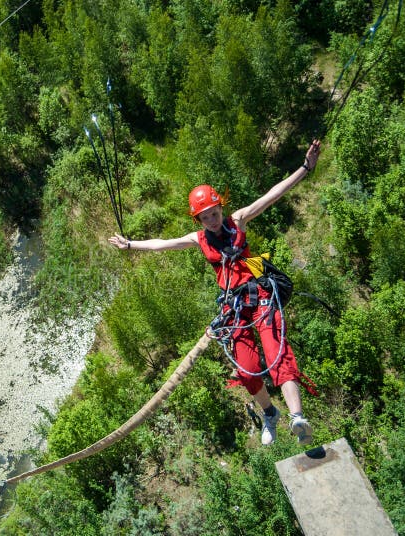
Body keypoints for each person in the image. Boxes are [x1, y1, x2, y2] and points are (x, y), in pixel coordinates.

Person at [108, 140, 322, 445]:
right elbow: (161, 243)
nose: (212, 218)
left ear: (221, 206)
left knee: (277, 353)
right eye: (205, 215)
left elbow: (272, 195)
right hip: (234, 307)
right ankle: (270, 414)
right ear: (198, 219)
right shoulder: (198, 239)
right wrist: (130, 245)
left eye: (214, 210)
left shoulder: (239, 219)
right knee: (248, 370)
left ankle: (298, 417)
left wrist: (305, 168)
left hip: (259, 296)